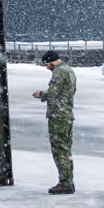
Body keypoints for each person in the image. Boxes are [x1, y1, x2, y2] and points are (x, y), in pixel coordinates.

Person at [34, 51, 77, 195]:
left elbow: (53, 93)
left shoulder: (59, 72)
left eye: (47, 64)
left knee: (60, 151)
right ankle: (68, 181)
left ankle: (65, 183)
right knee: (66, 149)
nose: (47, 68)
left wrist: (41, 94)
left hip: (58, 116)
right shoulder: (69, 70)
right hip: (66, 114)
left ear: (51, 62)